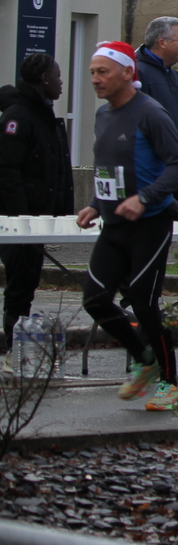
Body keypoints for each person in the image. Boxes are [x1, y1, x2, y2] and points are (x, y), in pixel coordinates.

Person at [76, 42, 178, 411]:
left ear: (128, 72)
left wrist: (144, 198)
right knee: (94, 299)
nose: (95, 79)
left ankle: (170, 383)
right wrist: (95, 204)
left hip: (150, 223)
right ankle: (144, 359)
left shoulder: (150, 113)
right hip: (114, 224)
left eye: (103, 72)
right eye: (92, 72)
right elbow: (110, 167)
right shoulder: (103, 115)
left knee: (144, 303)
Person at [0, 54, 72, 368]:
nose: (61, 82)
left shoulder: (43, 114)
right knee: (19, 285)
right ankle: (13, 351)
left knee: (27, 282)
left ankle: (21, 347)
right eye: (57, 75)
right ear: (44, 79)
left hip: (38, 220)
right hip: (20, 222)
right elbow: (8, 171)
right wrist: (22, 220)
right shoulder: (19, 116)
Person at [136, 17, 178, 197]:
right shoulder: (139, 74)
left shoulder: (176, 77)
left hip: (175, 172)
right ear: (162, 42)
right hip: (153, 175)